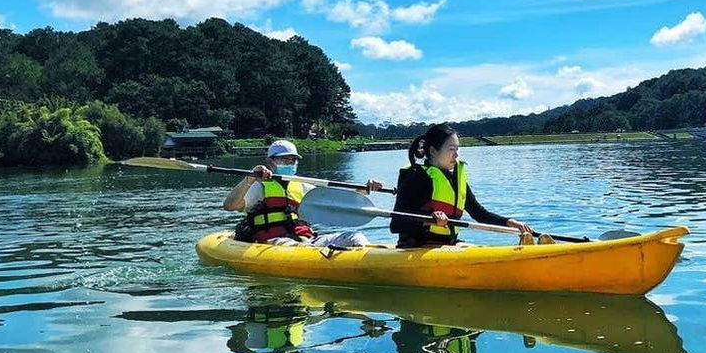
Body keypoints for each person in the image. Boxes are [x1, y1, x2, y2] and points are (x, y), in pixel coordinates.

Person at [390, 124, 533, 248]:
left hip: (449, 244)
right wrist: (429, 218)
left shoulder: (455, 180)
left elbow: (479, 214)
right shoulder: (417, 178)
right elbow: (397, 224)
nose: (456, 155)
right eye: (451, 149)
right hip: (417, 247)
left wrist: (509, 222)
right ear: (433, 151)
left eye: (457, 149)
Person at [223, 139, 382, 247]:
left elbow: (335, 204)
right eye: (285, 160)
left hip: (307, 240)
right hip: (274, 242)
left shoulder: (302, 185)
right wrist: (249, 179)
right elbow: (230, 206)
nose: (290, 163)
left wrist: (363, 190)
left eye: (294, 160)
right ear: (270, 161)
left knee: (354, 237)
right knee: (297, 246)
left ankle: (368, 261)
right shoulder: (259, 186)